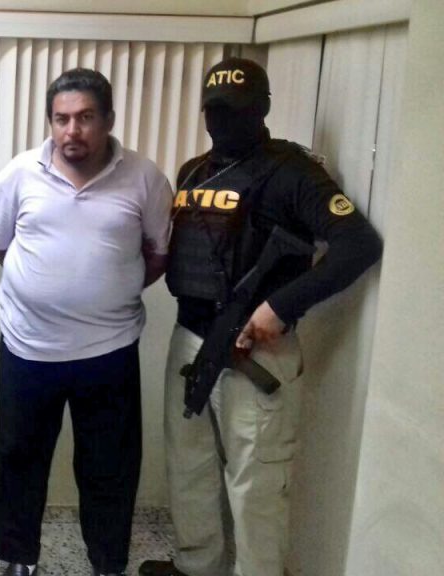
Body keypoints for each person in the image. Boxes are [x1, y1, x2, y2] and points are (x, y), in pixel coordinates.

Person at [138, 58, 383, 576]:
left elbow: (358, 243)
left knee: (256, 488)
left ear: (263, 109)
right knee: (189, 467)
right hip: (191, 337)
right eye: (215, 110)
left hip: (257, 351)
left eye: (236, 109)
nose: (223, 120)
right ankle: (197, 566)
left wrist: (281, 306)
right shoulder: (193, 171)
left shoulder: (293, 172)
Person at [0, 68, 173, 576]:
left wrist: (108, 289)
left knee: (109, 466)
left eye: (86, 117)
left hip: (108, 349)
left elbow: (158, 253)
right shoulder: (20, 173)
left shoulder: (145, 177)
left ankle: (107, 563)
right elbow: (0, 243)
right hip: (29, 346)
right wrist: (48, 288)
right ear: (50, 122)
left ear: (108, 120)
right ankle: (16, 556)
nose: (72, 130)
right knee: (18, 457)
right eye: (61, 118)